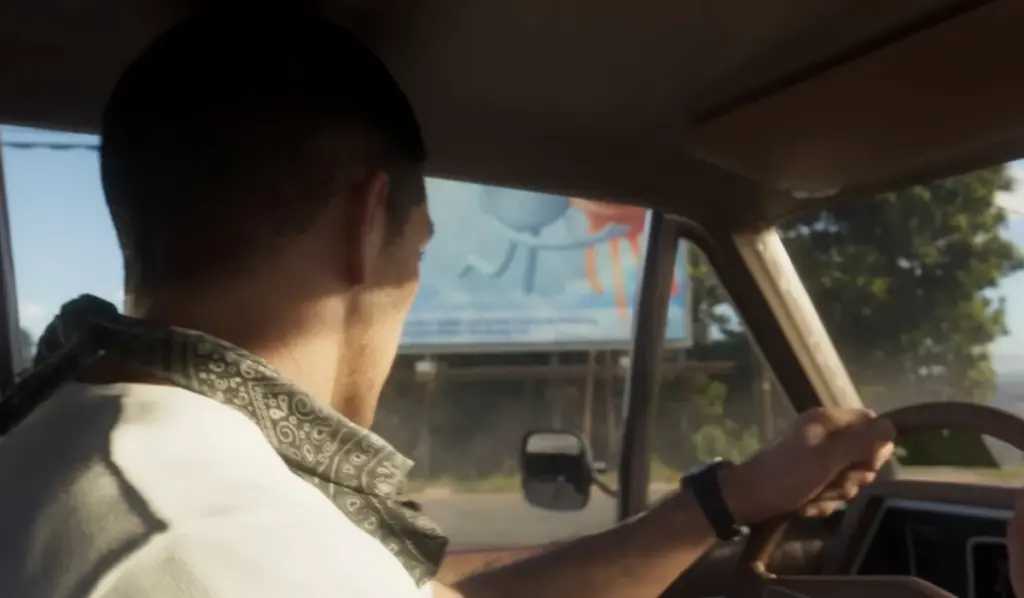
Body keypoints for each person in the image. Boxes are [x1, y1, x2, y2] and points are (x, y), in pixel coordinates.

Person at [0, 7, 896, 598]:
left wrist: (729, 498)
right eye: (419, 249)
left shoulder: (99, 453)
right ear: (367, 224)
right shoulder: (209, 543)